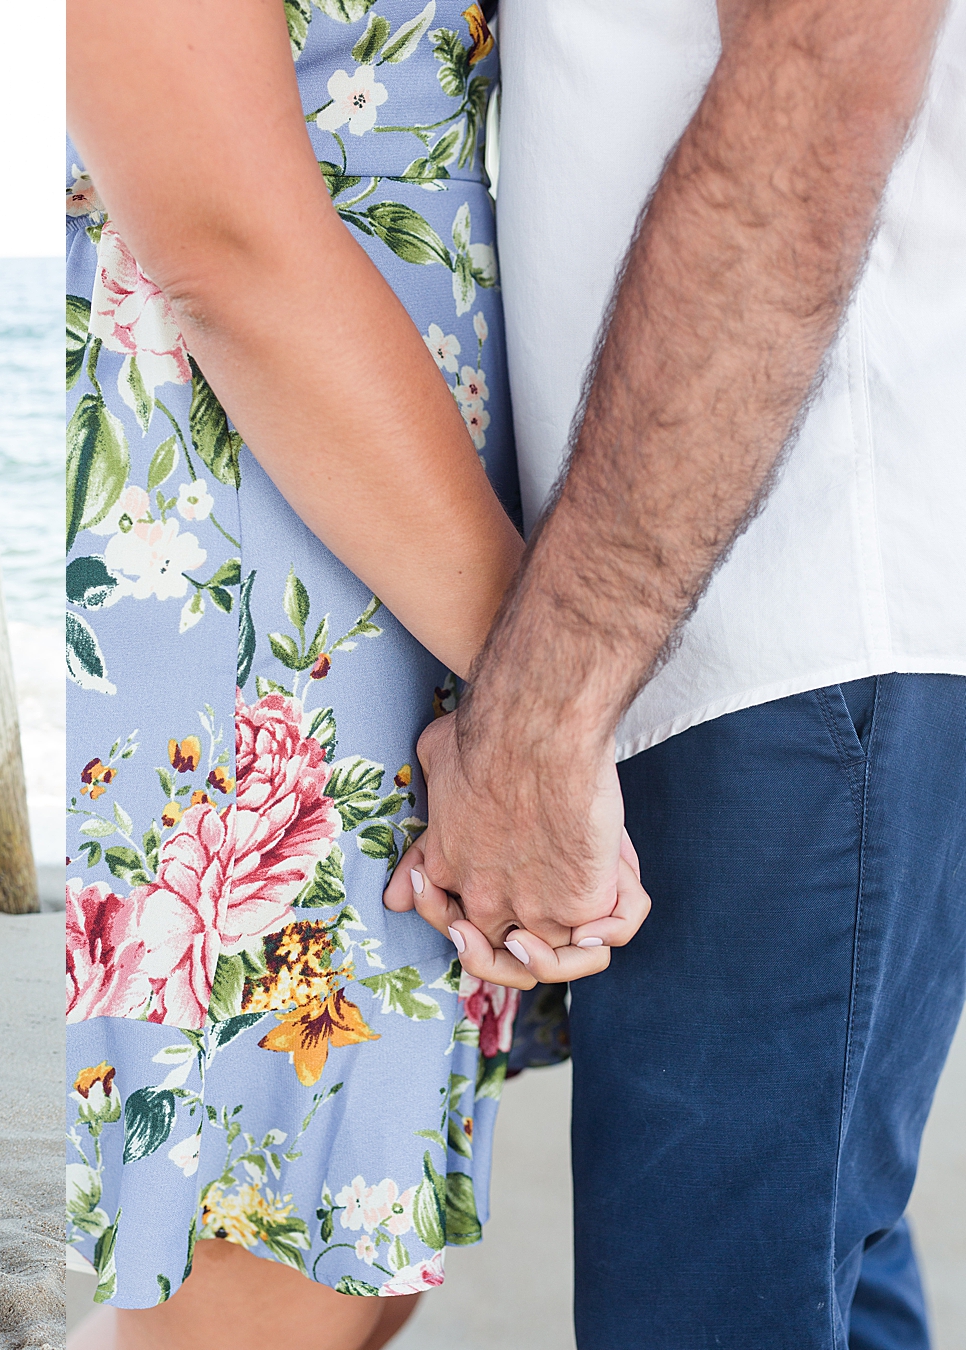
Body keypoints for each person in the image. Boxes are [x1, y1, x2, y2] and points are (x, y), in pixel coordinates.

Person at [383, 0, 965, 1344]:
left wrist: (544, 707)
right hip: (747, 620)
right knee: (823, 1271)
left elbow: (822, 78)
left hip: (780, 625)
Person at [62, 3, 644, 1346]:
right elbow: (220, 234)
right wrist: (540, 713)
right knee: (275, 1276)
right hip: (258, 499)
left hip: (391, 496)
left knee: (343, 1255)